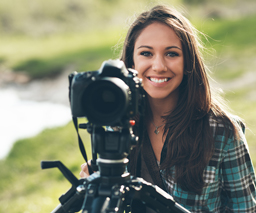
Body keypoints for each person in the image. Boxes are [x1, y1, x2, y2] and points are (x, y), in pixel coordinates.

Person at [80, 4, 256, 213]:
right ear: (131, 61)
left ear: (188, 62)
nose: (159, 66)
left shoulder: (222, 130)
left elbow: (245, 209)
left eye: (172, 54)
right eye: (146, 53)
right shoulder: (116, 125)